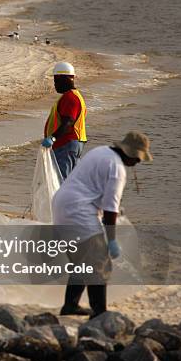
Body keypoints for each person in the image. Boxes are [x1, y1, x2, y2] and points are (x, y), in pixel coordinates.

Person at [52, 131, 152, 317]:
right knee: (100, 263)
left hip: (61, 207)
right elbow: (110, 209)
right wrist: (111, 240)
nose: (137, 163)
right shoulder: (117, 169)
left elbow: (92, 188)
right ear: (130, 153)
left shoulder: (101, 152)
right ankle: (100, 313)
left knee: (81, 263)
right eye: (138, 159)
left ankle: (70, 306)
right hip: (78, 213)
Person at [42, 62, 87, 180]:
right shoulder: (74, 96)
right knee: (70, 182)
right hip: (72, 144)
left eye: (56, 80)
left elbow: (68, 122)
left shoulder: (70, 98)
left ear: (65, 78)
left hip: (66, 144)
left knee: (61, 181)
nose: (55, 84)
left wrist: (52, 138)